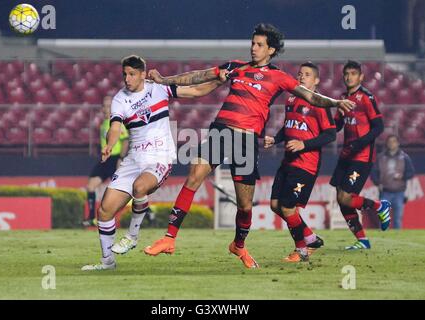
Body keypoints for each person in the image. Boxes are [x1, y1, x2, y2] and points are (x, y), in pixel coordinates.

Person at [144, 23, 355, 269]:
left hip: (245, 141)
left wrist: (336, 102)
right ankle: (169, 238)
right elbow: (201, 76)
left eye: (259, 45)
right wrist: (163, 81)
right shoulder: (236, 67)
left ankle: (239, 245)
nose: (253, 48)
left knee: (244, 205)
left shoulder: (279, 77)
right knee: (194, 176)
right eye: (252, 43)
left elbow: (310, 96)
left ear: (271, 50)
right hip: (221, 130)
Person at [81, 55, 227, 271]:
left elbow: (196, 91)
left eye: (131, 74)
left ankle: (132, 236)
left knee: (140, 187)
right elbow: (114, 127)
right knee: (104, 211)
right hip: (134, 160)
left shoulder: (159, 88)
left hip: (160, 158)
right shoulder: (120, 99)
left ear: (142, 74)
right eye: (124, 74)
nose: (127, 79)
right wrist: (109, 145)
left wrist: (218, 81)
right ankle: (107, 262)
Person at [264, 62, 336, 262]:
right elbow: (288, 127)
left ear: (316, 80)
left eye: (307, 74)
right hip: (288, 162)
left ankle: (301, 249)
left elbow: (330, 134)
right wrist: (276, 139)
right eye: (300, 74)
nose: (302, 77)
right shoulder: (292, 99)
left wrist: (304, 145)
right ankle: (311, 239)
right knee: (275, 205)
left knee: (288, 208)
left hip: (306, 164)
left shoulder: (319, 102)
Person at [330, 60, 391, 250]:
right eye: (346, 74)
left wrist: (360, 142)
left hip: (362, 156)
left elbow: (379, 127)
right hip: (346, 155)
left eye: (353, 74)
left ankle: (379, 206)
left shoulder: (366, 98)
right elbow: (338, 125)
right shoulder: (342, 98)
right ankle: (362, 240)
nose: (349, 77)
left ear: (361, 77)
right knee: (341, 198)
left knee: (347, 197)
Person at [83, 95, 129, 227]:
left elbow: (125, 140)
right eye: (104, 106)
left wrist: (120, 158)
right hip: (105, 159)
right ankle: (91, 217)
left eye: (109, 106)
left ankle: (146, 210)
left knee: (125, 190)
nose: (106, 108)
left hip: (115, 159)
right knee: (91, 186)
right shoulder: (104, 123)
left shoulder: (116, 122)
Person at [371, 135, 415, 229]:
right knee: (383, 218)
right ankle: (383, 238)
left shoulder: (404, 157)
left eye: (394, 141)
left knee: (397, 218)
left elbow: (411, 172)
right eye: (390, 142)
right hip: (385, 191)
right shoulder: (381, 157)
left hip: (399, 192)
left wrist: (403, 176)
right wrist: (377, 183)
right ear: (387, 143)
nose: (392, 143)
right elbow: (373, 173)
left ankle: (397, 238)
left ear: (398, 143)